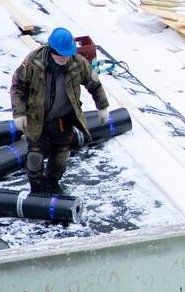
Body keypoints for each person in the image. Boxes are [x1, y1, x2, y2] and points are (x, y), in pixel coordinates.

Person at [9, 27, 110, 195]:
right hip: (37, 119)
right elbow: (17, 86)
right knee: (35, 157)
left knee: (62, 156)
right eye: (61, 54)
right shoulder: (34, 63)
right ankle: (36, 187)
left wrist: (103, 106)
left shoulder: (78, 63)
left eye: (68, 54)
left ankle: (52, 184)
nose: (65, 58)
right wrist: (19, 113)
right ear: (52, 50)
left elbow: (94, 84)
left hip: (63, 119)